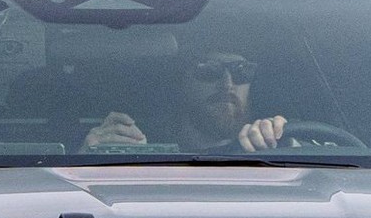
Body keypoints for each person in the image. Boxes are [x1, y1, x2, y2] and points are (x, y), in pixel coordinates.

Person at [81, 50, 290, 153]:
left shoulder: (276, 153)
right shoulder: (133, 146)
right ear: (179, 82)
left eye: (242, 71)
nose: (227, 84)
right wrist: (89, 156)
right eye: (209, 70)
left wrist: (287, 143)